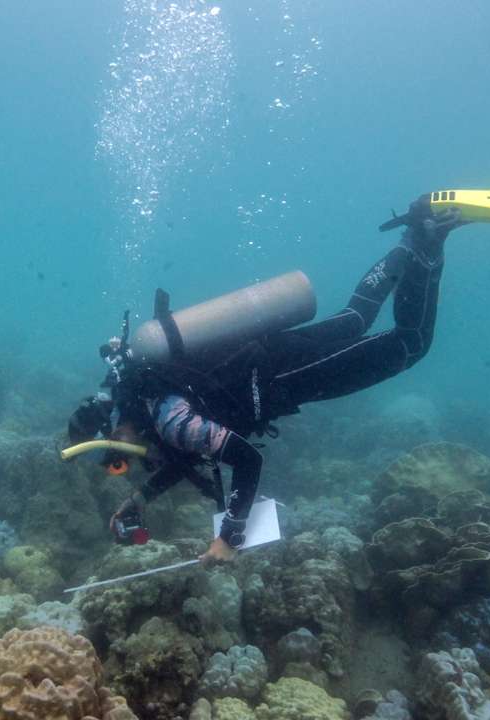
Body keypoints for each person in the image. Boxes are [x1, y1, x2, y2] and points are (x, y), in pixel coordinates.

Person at [66, 195, 465, 563]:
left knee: (410, 344)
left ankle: (429, 243)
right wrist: (142, 496)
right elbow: (186, 454)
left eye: (118, 460)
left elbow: (245, 458)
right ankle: (414, 237)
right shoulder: (148, 397)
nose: (127, 464)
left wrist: (230, 537)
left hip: (289, 376)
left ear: (114, 428)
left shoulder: (168, 418)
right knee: (354, 318)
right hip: (272, 353)